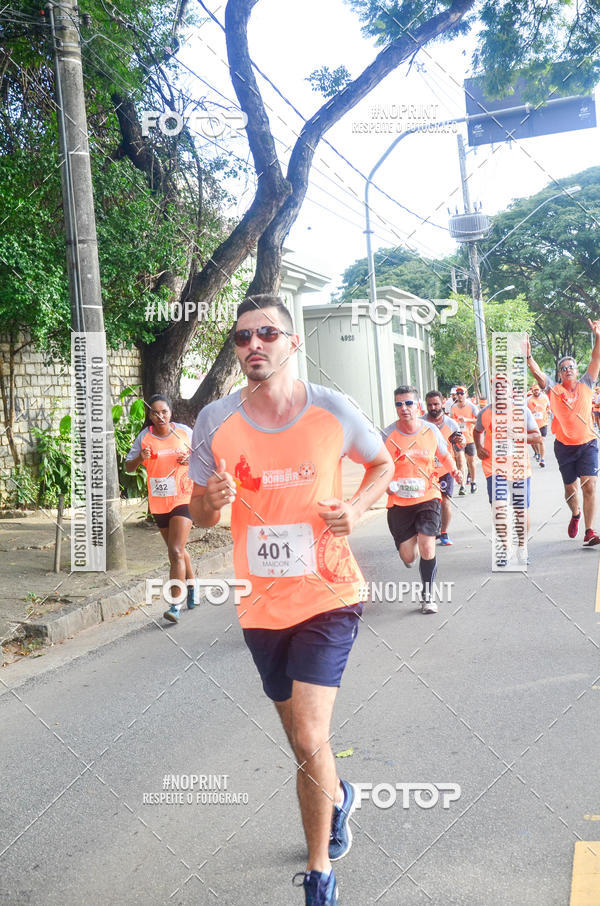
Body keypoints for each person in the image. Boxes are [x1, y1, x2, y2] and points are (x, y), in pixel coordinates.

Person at [188, 294, 393, 906]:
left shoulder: (332, 408)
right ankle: (339, 794)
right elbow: (198, 512)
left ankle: (318, 871)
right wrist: (210, 501)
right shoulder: (214, 420)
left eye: (267, 334)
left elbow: (382, 464)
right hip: (259, 604)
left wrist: (355, 508)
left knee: (307, 736)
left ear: (292, 341)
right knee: (301, 738)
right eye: (242, 337)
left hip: (330, 593)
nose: (254, 344)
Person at [382, 385, 462, 613]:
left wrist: (455, 471)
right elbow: (377, 466)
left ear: (417, 405)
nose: (404, 408)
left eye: (408, 403)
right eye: (399, 404)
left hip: (428, 495)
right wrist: (385, 485)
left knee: (428, 545)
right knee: (409, 555)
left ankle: (428, 596)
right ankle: (411, 545)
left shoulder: (430, 430)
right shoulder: (387, 435)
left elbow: (444, 456)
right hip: (399, 502)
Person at [526, 325, 600, 545]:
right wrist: (528, 356)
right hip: (564, 447)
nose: (568, 369)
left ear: (577, 371)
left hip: (588, 444)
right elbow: (538, 373)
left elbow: (596, 358)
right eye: (563, 368)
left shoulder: (587, 383)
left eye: (571, 367)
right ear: (559, 374)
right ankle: (576, 513)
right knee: (571, 489)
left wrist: (598, 336)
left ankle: (589, 531)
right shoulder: (554, 390)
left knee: (589, 485)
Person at [126, 394, 196, 622]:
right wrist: (140, 457)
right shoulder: (144, 437)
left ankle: (175, 605)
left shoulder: (183, 432)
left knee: (175, 551)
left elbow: (205, 455)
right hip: (159, 502)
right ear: (150, 415)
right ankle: (192, 585)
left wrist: (191, 459)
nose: (160, 416)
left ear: (170, 412)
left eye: (164, 411)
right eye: (155, 413)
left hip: (183, 497)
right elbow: (128, 467)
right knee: (178, 550)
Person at [474, 378, 541, 565]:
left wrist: (518, 435)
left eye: (504, 386)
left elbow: (537, 437)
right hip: (494, 468)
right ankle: (506, 548)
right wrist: (479, 448)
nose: (500, 390)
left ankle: (522, 547)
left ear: (511, 391)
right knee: (499, 507)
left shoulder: (522, 411)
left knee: (520, 511)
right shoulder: (484, 413)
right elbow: (477, 431)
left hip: (519, 468)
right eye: (496, 387)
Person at [422, 390, 465, 546]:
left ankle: (444, 532)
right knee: (426, 502)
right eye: (430, 405)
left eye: (436, 404)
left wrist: (460, 441)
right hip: (425, 470)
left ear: (442, 404)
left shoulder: (451, 423)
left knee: (445, 500)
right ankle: (428, 531)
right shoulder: (420, 423)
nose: (433, 407)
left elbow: (460, 445)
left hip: (445, 469)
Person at [451, 386, 479, 495]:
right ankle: (462, 486)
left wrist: (467, 420)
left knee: (471, 462)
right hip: (458, 438)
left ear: (466, 394)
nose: (459, 395)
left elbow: (479, 421)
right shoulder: (453, 407)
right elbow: (451, 421)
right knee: (460, 461)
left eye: (461, 393)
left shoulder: (472, 407)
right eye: (457, 393)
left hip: (469, 438)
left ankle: (473, 482)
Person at [527, 384, 551, 466]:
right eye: (534, 390)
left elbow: (548, 407)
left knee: (541, 441)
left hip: (543, 423)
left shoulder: (545, 398)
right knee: (535, 441)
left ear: (540, 390)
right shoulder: (528, 400)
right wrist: (531, 412)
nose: (536, 391)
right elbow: (524, 411)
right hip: (532, 424)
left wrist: (549, 411)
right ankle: (537, 452)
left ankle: (542, 459)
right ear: (532, 391)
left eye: (537, 390)